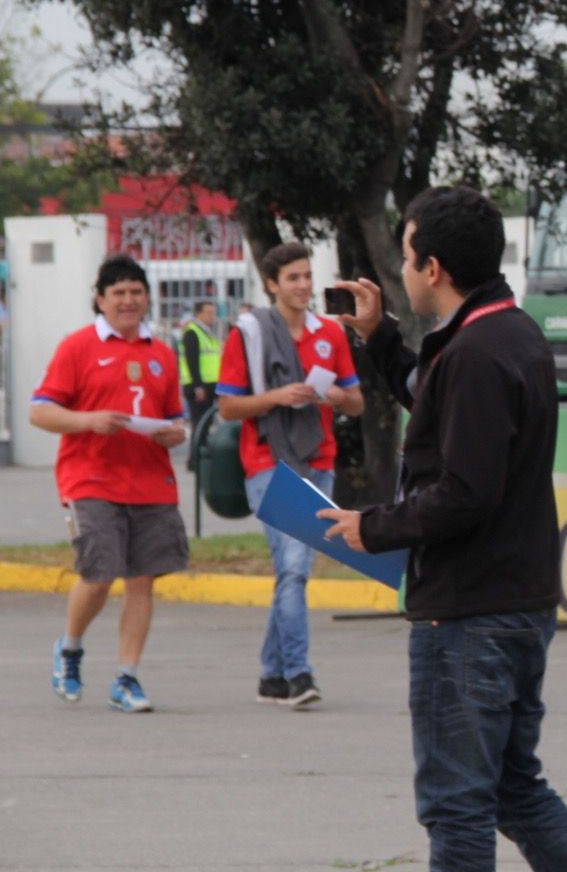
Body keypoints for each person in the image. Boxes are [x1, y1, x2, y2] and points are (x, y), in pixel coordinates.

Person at [316, 187, 567, 871]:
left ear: (434, 267)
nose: (404, 271)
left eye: (408, 257)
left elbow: (466, 492)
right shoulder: (504, 333)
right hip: (514, 600)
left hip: (473, 615)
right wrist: (379, 335)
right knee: (513, 790)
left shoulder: (478, 351)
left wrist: (374, 526)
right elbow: (432, 399)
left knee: (458, 806)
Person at [30, 255, 189, 712]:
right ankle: (71, 647)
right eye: (117, 292)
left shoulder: (160, 353)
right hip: (91, 478)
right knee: (98, 576)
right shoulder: (77, 347)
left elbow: (175, 415)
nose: (127, 300)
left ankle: (126, 678)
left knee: (142, 583)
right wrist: (89, 420)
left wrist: (176, 432)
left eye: (135, 291)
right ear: (100, 300)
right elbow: (40, 411)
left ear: (146, 298)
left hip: (151, 482)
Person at [216, 242, 364, 708]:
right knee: (295, 568)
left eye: (306, 276)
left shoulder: (331, 334)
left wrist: (333, 397)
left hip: (319, 461)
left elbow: (357, 403)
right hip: (267, 461)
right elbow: (227, 405)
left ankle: (271, 675)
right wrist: (278, 397)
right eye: (293, 278)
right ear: (273, 285)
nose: (302, 286)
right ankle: (299, 674)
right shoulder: (249, 334)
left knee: (291, 570)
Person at [178, 300, 222, 429]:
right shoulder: (192, 333)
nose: (212, 316)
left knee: (206, 425)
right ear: (198, 314)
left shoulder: (206, 333)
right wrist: (198, 386)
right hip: (198, 386)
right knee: (200, 425)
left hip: (210, 384)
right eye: (208, 313)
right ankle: (197, 449)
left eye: (213, 313)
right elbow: (192, 361)